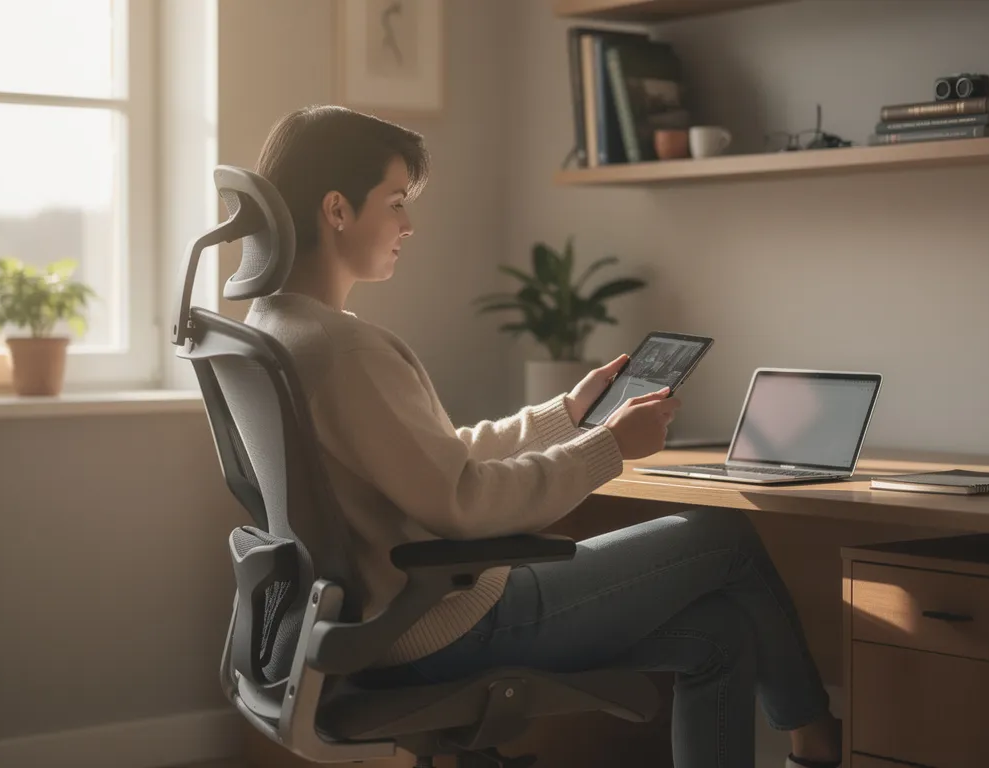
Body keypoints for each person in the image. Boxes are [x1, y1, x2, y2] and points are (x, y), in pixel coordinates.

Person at [244, 105, 843, 768]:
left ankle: (812, 743)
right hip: (446, 623)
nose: (408, 225)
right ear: (336, 209)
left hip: (382, 618)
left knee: (720, 635)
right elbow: (464, 501)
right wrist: (610, 446)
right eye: (395, 202)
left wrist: (567, 413)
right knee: (721, 537)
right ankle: (817, 744)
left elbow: (435, 463)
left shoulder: (277, 330)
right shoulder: (344, 349)